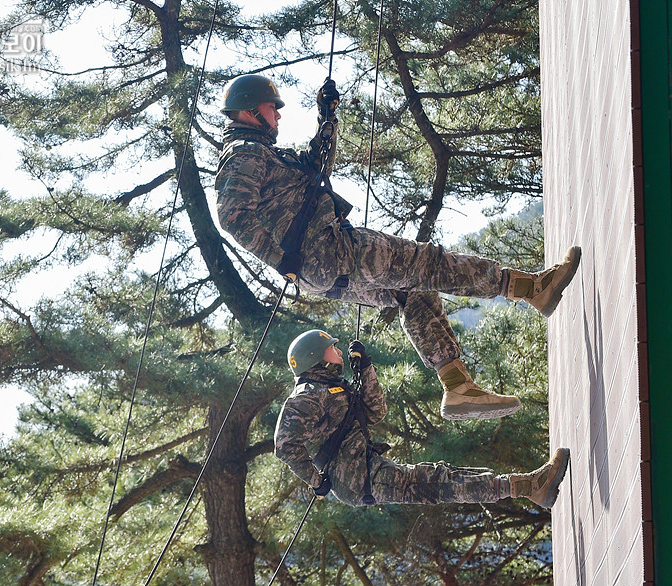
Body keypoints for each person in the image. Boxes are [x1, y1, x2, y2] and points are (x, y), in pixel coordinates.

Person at [215, 74, 581, 421]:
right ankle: (531, 289)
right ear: (250, 111)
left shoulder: (265, 155)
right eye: (270, 106)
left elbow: (316, 166)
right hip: (330, 251)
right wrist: (282, 260)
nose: (277, 113)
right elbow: (233, 217)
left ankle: (458, 388)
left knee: (413, 291)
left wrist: (327, 118)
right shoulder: (245, 153)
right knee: (428, 263)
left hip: (321, 272)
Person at [274, 329, 570, 507]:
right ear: (317, 357)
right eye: (332, 349)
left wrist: (365, 369)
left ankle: (528, 488)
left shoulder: (332, 388)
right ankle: (528, 487)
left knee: (443, 476)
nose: (338, 351)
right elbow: (285, 445)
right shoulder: (308, 395)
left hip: (367, 471)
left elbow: (376, 412)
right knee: (441, 483)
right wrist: (316, 481)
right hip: (359, 479)